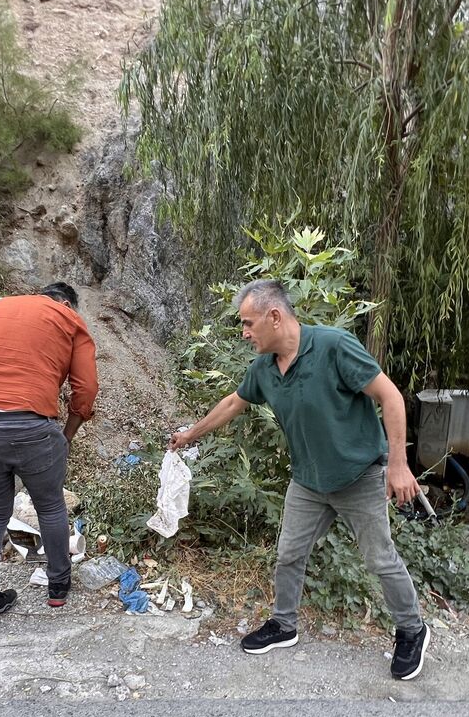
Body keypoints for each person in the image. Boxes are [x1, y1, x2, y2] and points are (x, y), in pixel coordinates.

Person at [169, 278, 431, 679]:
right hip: (309, 481)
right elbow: (232, 403)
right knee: (289, 554)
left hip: (359, 475)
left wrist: (398, 465)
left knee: (379, 559)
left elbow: (390, 396)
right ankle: (284, 624)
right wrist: (190, 434)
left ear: (274, 317)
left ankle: (412, 630)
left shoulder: (333, 346)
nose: (244, 333)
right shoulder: (264, 370)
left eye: (248, 323)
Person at [0, 282, 97, 630]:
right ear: (65, 303)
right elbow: (86, 388)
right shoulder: (69, 318)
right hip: (29, 423)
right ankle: (58, 586)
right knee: (49, 506)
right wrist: (66, 435)